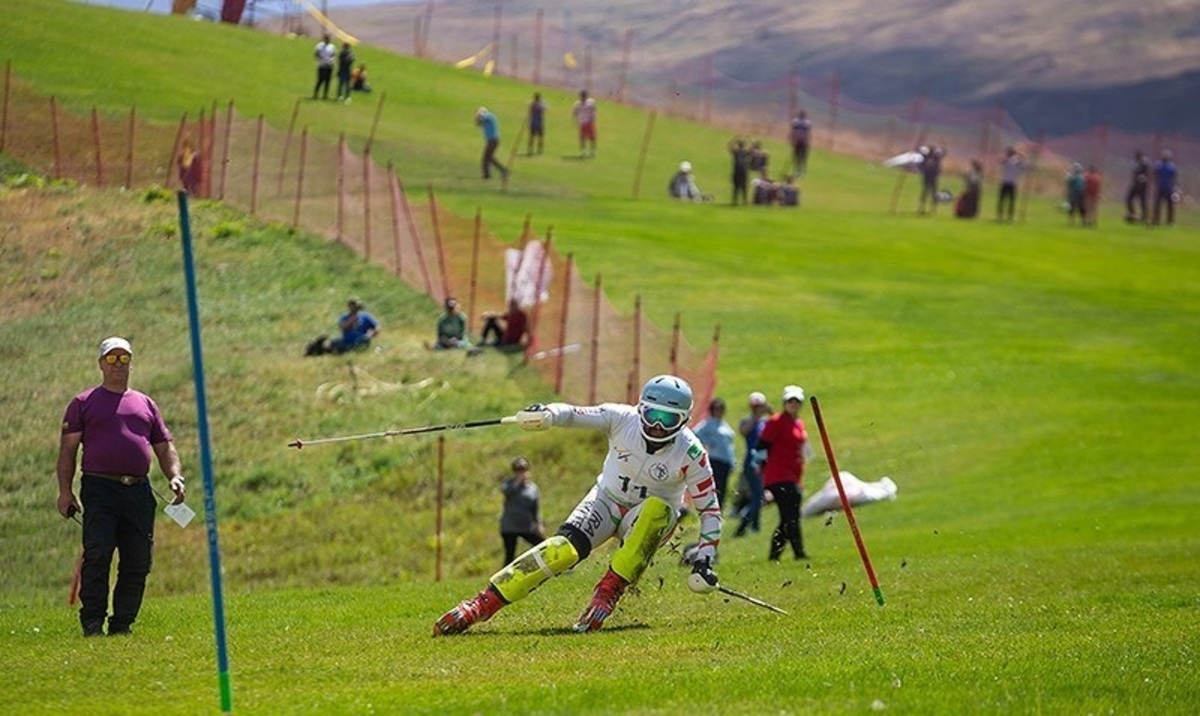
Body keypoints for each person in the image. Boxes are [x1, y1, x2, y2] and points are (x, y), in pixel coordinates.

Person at [433, 375, 722, 635]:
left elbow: (709, 509)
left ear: (683, 420)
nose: (657, 426)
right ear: (640, 408)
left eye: (668, 419)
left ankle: (609, 590)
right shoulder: (622, 418)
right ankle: (481, 604)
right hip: (606, 501)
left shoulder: (692, 452)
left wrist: (705, 559)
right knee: (561, 550)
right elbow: (573, 414)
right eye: (652, 414)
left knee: (657, 510)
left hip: (647, 518)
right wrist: (547, 413)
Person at [56, 337, 187, 637]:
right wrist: (65, 492)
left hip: (138, 491)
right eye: (111, 359)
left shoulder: (145, 404)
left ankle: (122, 623)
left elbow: (165, 448)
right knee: (98, 553)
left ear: (131, 362)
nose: (118, 365)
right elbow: (67, 452)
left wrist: (175, 476)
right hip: (100, 489)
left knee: (138, 559)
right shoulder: (83, 403)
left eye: (123, 359)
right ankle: (92, 622)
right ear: (101, 364)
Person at [757, 385, 812, 561]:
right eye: (790, 401)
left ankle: (775, 555)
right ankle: (799, 553)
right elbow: (761, 447)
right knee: (791, 517)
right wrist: (763, 470)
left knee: (788, 518)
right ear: (784, 402)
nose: (793, 404)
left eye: (796, 401)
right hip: (778, 476)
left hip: (793, 476)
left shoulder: (798, 423)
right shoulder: (775, 422)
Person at [733, 391, 771, 537]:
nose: (758, 409)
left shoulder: (766, 422)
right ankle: (749, 525)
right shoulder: (748, 421)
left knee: (759, 495)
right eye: (755, 407)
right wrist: (757, 416)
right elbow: (744, 431)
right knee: (757, 495)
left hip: (763, 461)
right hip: (752, 461)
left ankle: (752, 525)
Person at [499, 456, 545, 565]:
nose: (521, 472)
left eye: (523, 469)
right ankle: (504, 579)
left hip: (526, 526)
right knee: (510, 554)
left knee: (542, 545)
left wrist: (539, 524)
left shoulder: (532, 488)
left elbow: (535, 508)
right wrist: (517, 482)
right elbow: (507, 493)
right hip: (510, 526)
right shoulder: (508, 484)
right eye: (518, 469)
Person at [693, 397, 736, 512]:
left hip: (726, 462)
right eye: (717, 409)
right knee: (716, 488)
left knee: (723, 489)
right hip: (715, 460)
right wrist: (709, 442)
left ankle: (718, 511)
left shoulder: (724, 424)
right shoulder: (709, 423)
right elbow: (696, 433)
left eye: (721, 409)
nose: (719, 411)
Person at [475, 107, 509, 181]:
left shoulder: (489, 116)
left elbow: (481, 118)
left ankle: (488, 175)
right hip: (492, 140)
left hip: (493, 140)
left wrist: (478, 115)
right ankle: (503, 171)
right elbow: (478, 123)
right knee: (489, 158)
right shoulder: (486, 118)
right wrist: (477, 118)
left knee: (486, 158)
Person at [996, 146, 1024, 222]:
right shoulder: (1006, 160)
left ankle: (1010, 216)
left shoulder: (1016, 161)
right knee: (1001, 200)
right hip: (1005, 182)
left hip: (1012, 183)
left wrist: (1020, 157)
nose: (1007, 153)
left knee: (1011, 201)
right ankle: (1000, 215)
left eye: (1009, 152)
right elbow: (1001, 162)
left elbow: (1021, 164)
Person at [1152, 150, 1178, 226]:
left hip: (1169, 188)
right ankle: (1156, 220)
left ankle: (1170, 221)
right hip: (1160, 188)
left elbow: (1174, 178)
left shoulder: (1171, 166)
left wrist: (1175, 187)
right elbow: (1154, 174)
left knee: (1170, 206)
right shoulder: (1158, 165)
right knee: (1157, 205)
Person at [918, 145, 945, 215]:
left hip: (932, 178)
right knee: (926, 193)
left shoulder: (935, 158)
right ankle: (923, 208)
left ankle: (932, 210)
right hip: (928, 177)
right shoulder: (926, 158)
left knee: (932, 193)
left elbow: (944, 153)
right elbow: (921, 165)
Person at [1125, 150, 1150, 224]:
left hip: (1142, 186)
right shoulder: (1138, 163)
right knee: (1129, 198)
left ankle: (1144, 217)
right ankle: (1132, 214)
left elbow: (1146, 174)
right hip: (1135, 184)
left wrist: (1143, 178)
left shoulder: (1144, 162)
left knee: (1142, 201)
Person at [572, 89, 597, 157]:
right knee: (582, 138)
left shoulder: (591, 102)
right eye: (582, 96)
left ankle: (592, 151)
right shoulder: (577, 104)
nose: (583, 98)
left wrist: (593, 118)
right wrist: (576, 121)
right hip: (582, 123)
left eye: (584, 96)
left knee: (592, 138)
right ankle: (583, 152)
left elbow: (594, 110)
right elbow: (574, 113)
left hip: (589, 122)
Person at [728, 137, 751, 206]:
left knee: (737, 187)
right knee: (743, 187)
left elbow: (729, 146)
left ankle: (737, 201)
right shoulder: (742, 152)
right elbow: (751, 148)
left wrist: (734, 140)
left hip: (738, 171)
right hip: (743, 171)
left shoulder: (738, 152)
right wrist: (749, 140)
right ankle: (743, 201)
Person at [312, 33, 336, 100]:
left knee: (327, 81)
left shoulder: (332, 46)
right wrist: (320, 58)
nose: (328, 40)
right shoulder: (319, 46)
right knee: (320, 80)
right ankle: (315, 94)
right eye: (327, 39)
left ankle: (325, 95)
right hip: (322, 65)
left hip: (329, 65)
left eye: (329, 39)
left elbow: (333, 54)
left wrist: (332, 60)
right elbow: (316, 54)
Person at [789, 110, 812, 176]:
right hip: (801, 142)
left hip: (800, 142)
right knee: (800, 157)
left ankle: (799, 170)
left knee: (799, 157)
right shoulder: (806, 123)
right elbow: (808, 134)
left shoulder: (796, 122)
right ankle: (799, 170)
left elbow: (793, 132)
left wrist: (791, 140)